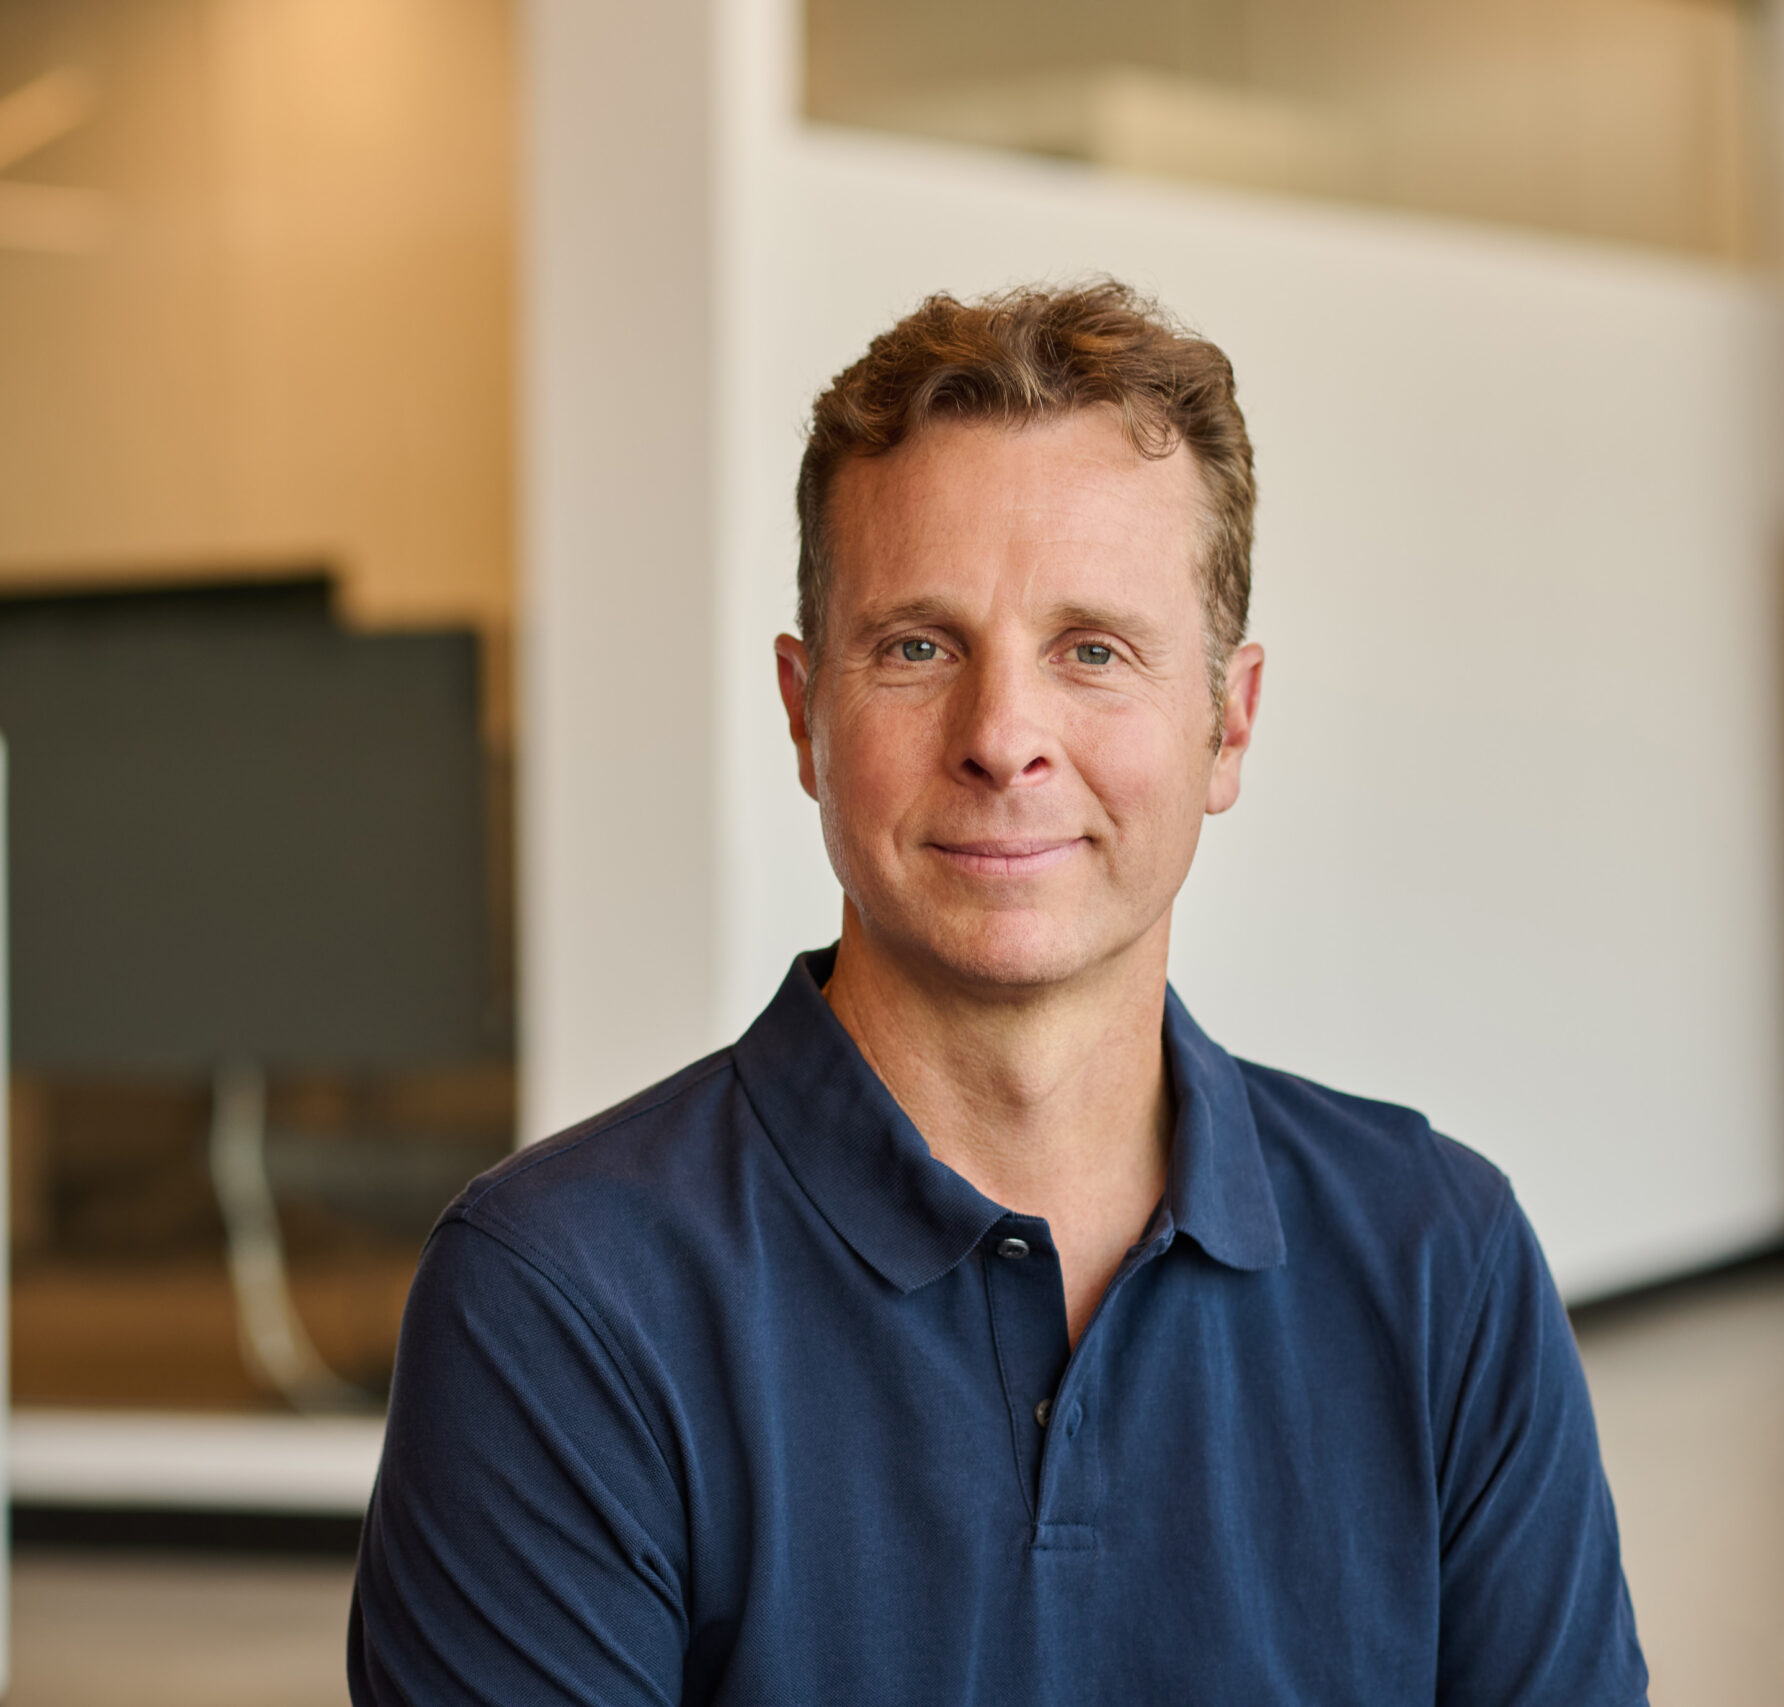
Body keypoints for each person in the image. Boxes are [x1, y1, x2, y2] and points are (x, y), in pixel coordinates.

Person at [348, 281, 1647, 1705]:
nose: (1003, 738)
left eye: (1094, 650)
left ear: (1230, 721)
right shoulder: (561, 1300)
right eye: (918, 647)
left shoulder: (1437, 1258)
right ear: (804, 715)